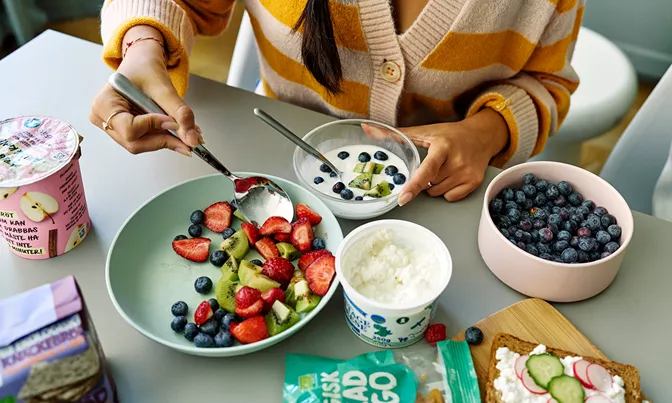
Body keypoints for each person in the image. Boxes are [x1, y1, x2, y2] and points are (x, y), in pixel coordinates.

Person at [91, 0, 584, 206]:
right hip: (274, 168)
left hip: (446, 196)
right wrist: (141, 45)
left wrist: (484, 132)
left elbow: (548, 82)